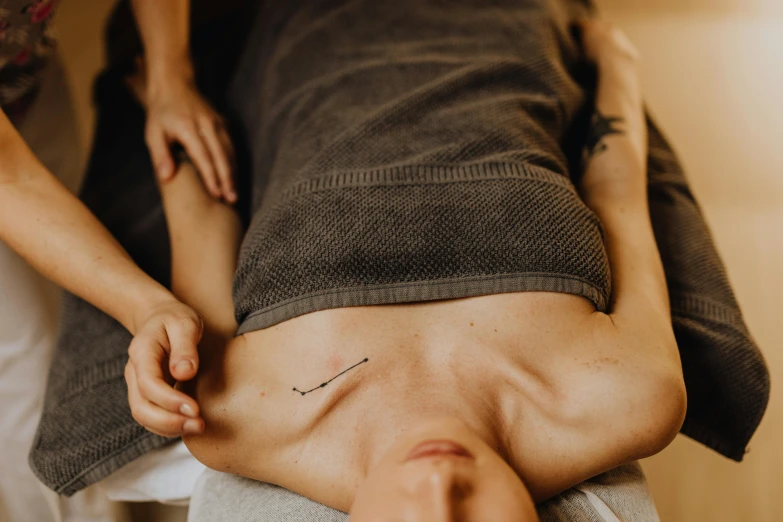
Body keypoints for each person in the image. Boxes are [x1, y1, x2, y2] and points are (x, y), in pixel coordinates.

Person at [125, 16, 686, 519]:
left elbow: (204, 205)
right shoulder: (629, 394)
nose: (440, 485)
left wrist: (169, 89)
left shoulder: (231, 415)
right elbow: (619, 194)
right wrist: (617, 61)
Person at [0, 1, 230, 519]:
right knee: (26, 358)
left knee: (66, 296)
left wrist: (172, 78)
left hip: (24, 71)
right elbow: (9, 176)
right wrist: (146, 307)